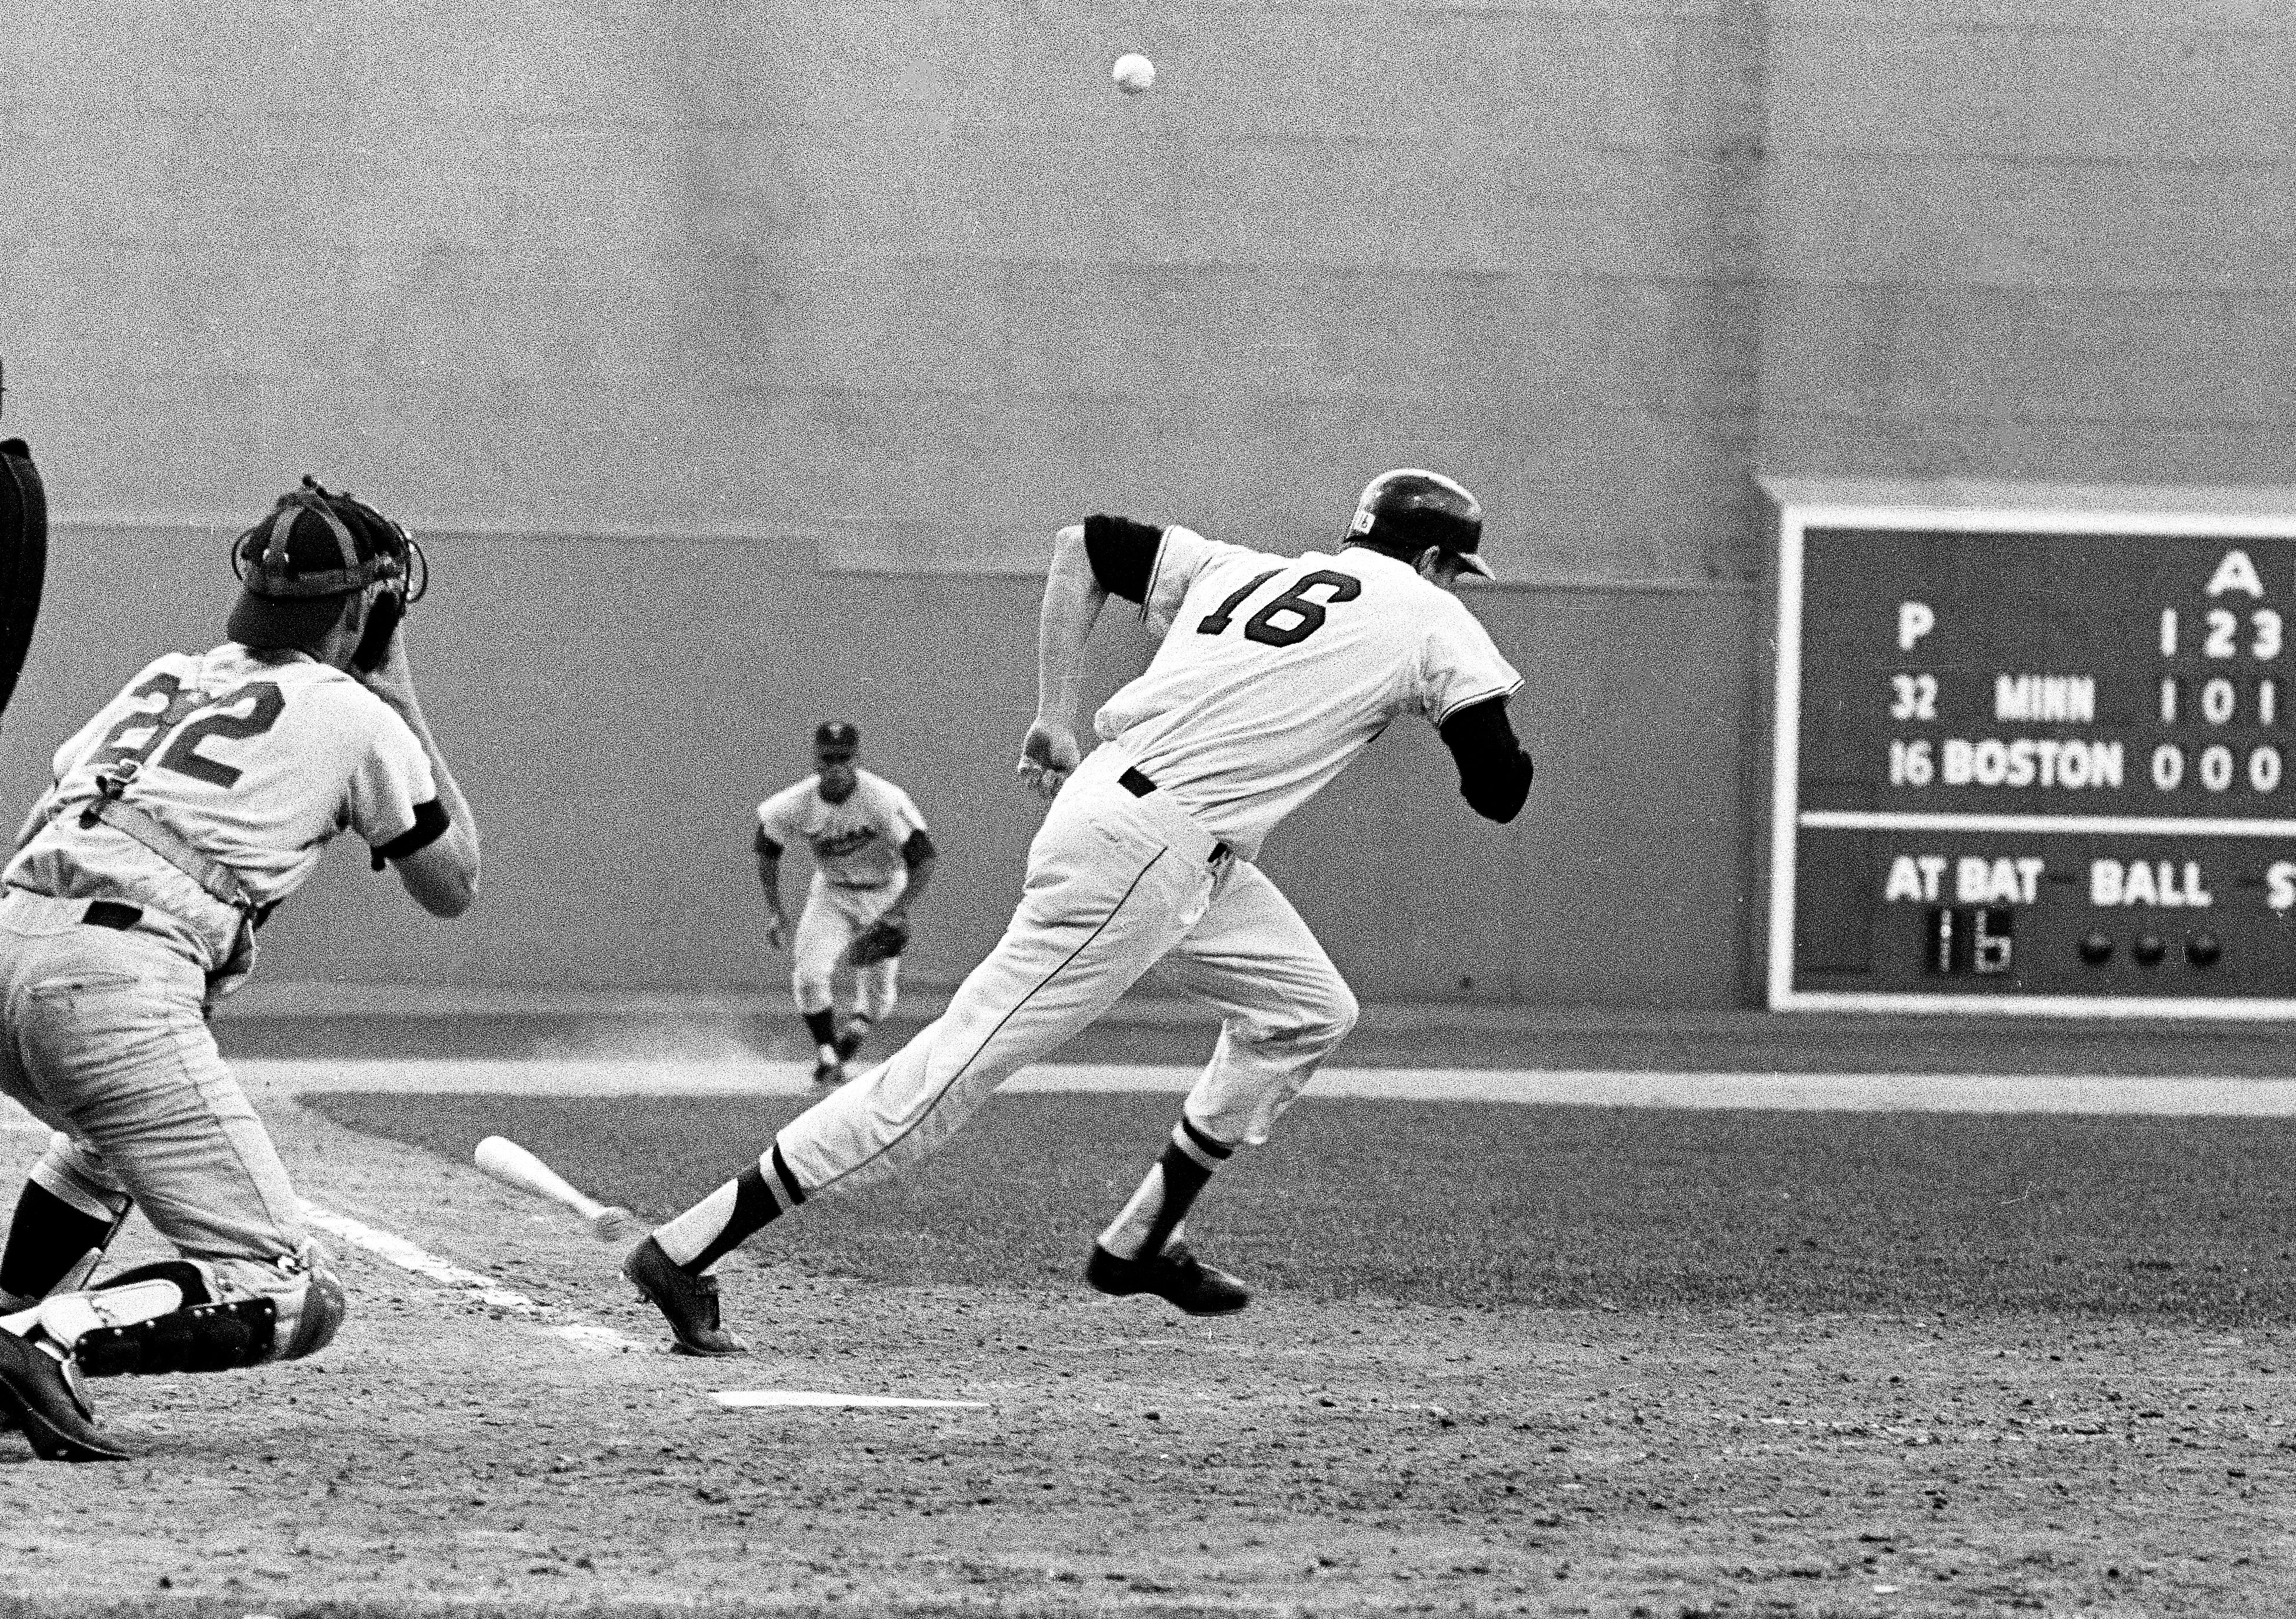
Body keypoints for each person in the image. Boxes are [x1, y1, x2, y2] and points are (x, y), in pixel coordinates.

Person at [624, 469, 1534, 1355]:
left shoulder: (1251, 569)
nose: (1456, 587)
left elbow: (1082, 546)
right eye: (1455, 570)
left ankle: (1140, 1239)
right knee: (945, 1076)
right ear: (1431, 557)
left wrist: (1054, 713)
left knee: (1304, 1010)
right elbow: (1498, 789)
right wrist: (1474, 716)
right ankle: (683, 1249)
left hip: (1152, 829)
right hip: (1149, 852)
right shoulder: (1430, 613)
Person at [0, 478, 480, 1458]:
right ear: (365, 610)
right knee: (286, 1288)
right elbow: (453, 882)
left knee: (105, 1146)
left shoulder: (164, 676)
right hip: (111, 977)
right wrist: (396, 686)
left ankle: (10, 1312)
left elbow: (47, 813)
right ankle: (35, 1337)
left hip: (12, 924)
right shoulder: (357, 715)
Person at [754, 721, 937, 1085]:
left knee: (880, 1000)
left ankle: (848, 1042)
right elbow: (766, 847)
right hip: (833, 892)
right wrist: (776, 910)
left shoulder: (883, 799)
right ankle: (827, 1053)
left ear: (854, 759)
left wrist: (898, 913)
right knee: (808, 975)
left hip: (885, 891)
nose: (835, 766)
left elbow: (923, 856)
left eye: (843, 758)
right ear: (816, 761)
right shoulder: (794, 804)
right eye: (828, 759)